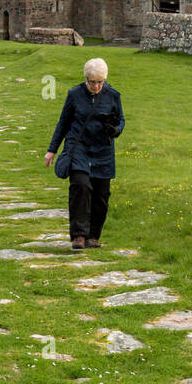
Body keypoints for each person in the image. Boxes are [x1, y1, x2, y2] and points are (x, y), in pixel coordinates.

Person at [45, 57, 125, 250]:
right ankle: (79, 235)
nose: (96, 86)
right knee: (80, 186)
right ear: (86, 79)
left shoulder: (113, 95)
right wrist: (52, 150)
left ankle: (93, 236)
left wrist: (115, 130)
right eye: (92, 82)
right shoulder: (74, 94)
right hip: (78, 146)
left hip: (103, 149)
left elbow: (121, 120)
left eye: (100, 82)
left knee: (101, 195)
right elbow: (63, 123)